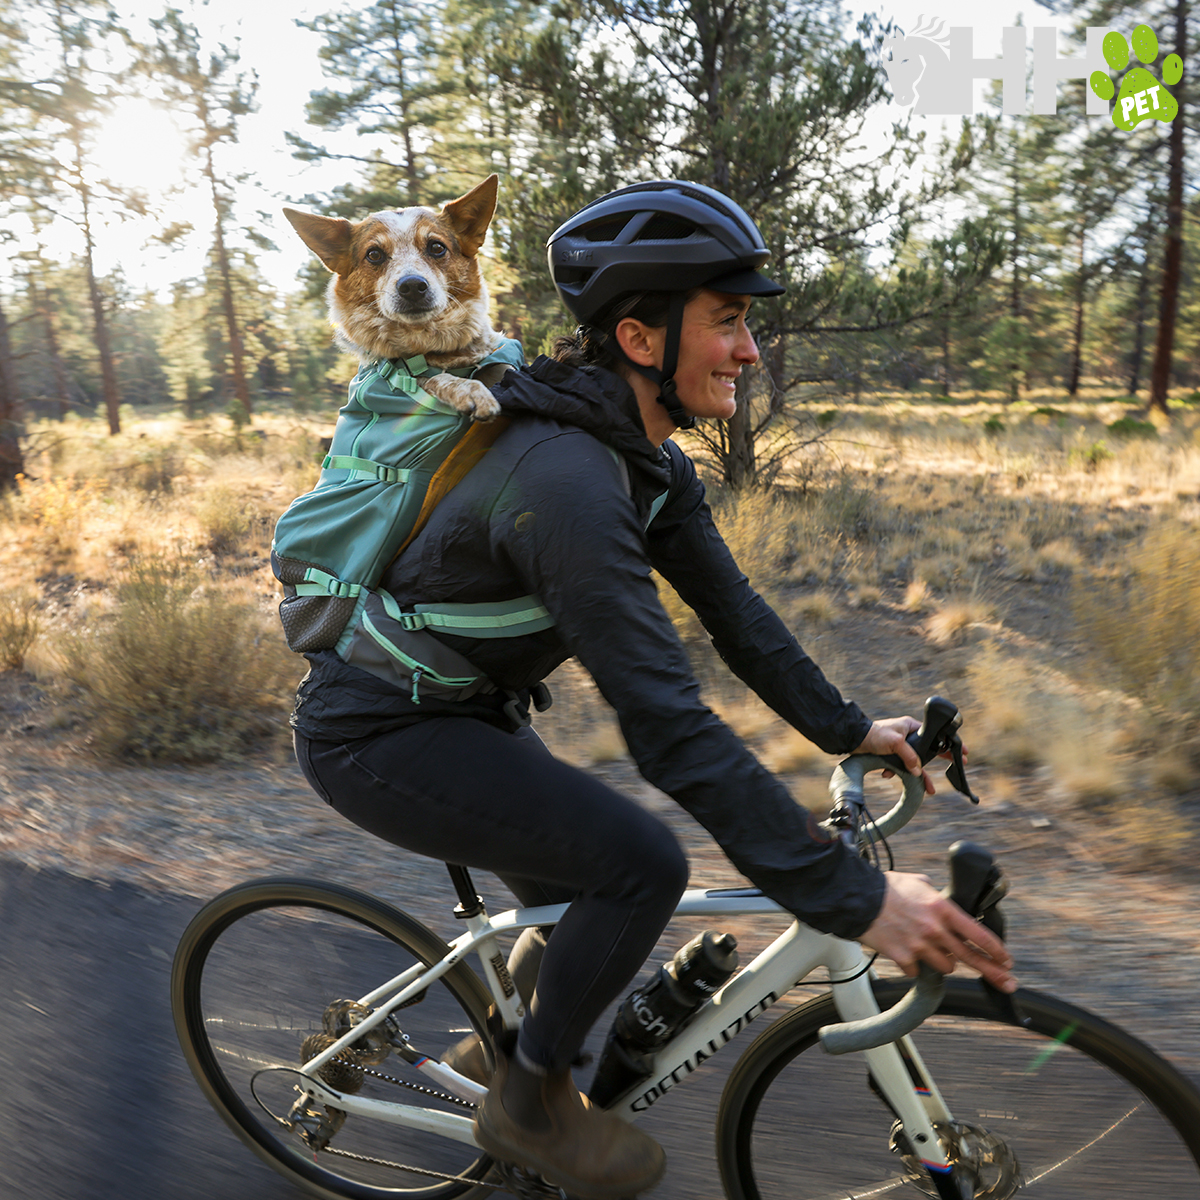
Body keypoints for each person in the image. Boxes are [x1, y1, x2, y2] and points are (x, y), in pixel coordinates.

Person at [290, 180, 1016, 1200]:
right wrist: (851, 897)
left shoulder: (645, 461)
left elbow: (735, 613)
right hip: (372, 734)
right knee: (637, 866)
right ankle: (529, 1104)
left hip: (467, 714)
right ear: (639, 338)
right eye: (728, 322)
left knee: (575, 917)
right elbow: (667, 722)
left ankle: (496, 1060)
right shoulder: (564, 482)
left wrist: (847, 729)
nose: (750, 351)